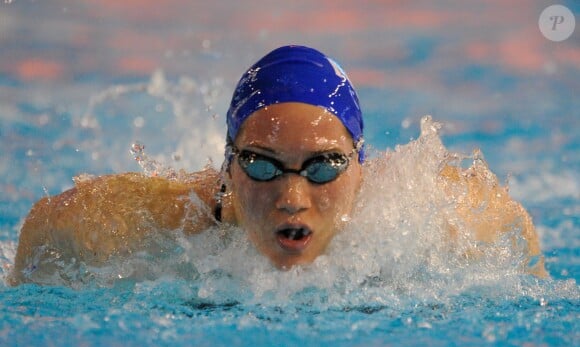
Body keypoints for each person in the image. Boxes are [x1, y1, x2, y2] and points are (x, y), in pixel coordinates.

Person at [7, 45, 548, 286]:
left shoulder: (433, 213)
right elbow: (49, 225)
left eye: (323, 167)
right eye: (262, 166)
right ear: (228, 169)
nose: (293, 197)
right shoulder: (157, 221)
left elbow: (513, 229)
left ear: (361, 167)